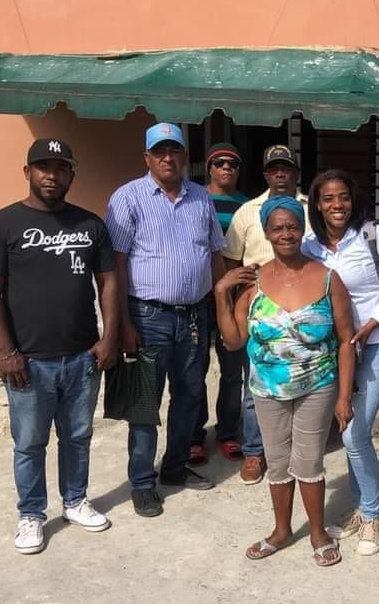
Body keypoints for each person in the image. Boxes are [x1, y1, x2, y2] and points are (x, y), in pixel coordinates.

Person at [0, 138, 119, 554]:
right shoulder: (0, 225)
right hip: (28, 361)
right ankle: (31, 514)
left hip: (81, 356)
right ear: (28, 172)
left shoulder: (90, 225)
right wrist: (7, 352)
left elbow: (109, 282)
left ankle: (75, 501)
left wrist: (108, 337)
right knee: (29, 443)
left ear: (71, 174)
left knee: (77, 435)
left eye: (60, 168)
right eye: (43, 167)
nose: (51, 175)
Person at [214, 195, 356, 567]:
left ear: (302, 228)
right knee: (277, 461)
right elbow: (234, 340)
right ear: (266, 233)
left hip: (317, 385)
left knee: (308, 461)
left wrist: (344, 397)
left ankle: (318, 532)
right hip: (267, 389)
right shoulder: (254, 282)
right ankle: (281, 531)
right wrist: (221, 293)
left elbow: (346, 341)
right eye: (277, 228)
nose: (285, 234)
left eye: (292, 226)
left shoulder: (327, 278)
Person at [105, 122, 227, 518]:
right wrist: (122, 324)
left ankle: (174, 467)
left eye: (174, 150)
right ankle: (142, 482)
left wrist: (220, 307)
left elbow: (214, 253)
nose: (168, 158)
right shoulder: (128, 198)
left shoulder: (200, 198)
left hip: (194, 316)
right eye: (160, 151)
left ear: (184, 155)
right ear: (147, 157)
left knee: (190, 395)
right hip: (147, 317)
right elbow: (115, 265)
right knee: (145, 404)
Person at [303, 169, 379, 556]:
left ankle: (372, 515)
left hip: (376, 344)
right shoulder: (309, 246)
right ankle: (359, 506)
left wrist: (372, 322)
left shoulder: (374, 236)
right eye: (328, 198)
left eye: (344, 197)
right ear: (317, 205)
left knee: (353, 432)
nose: (337, 205)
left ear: (353, 201)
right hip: (336, 350)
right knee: (349, 425)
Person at [222, 144, 308, 485]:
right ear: (266, 175)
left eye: (286, 168)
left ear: (296, 172)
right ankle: (255, 451)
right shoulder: (247, 213)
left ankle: (295, 450)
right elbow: (231, 261)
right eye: (274, 169)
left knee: (303, 380)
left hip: (301, 308)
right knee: (256, 384)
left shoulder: (310, 208)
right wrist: (235, 306)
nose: (280, 174)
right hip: (259, 310)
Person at [189, 143, 250, 466]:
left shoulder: (247, 206)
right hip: (199, 298)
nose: (226, 168)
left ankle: (227, 432)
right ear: (209, 168)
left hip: (234, 299)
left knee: (232, 372)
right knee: (195, 369)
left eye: (233, 164)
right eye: (220, 163)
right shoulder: (194, 200)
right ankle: (194, 436)